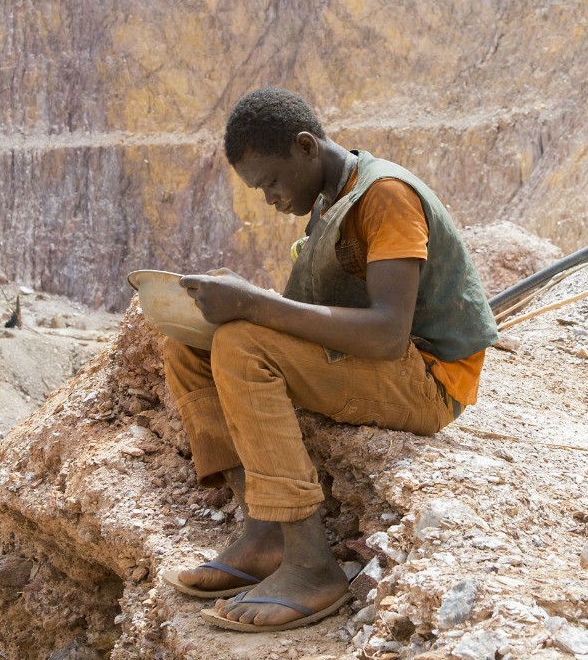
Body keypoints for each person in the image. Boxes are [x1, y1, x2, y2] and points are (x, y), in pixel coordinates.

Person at [158, 87, 498, 632]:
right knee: (189, 343)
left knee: (240, 343)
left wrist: (252, 304)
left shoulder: (384, 197)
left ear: (305, 146)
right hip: (384, 363)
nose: (267, 198)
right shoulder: (329, 198)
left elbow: (389, 334)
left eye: (270, 181)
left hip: (429, 380)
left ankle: (313, 565)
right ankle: (265, 532)